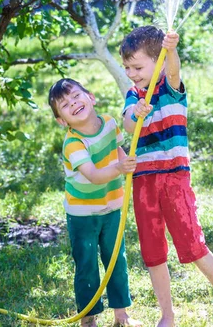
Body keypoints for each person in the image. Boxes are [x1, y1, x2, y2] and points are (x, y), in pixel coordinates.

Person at [120, 26, 213, 327]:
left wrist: (171, 50)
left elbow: (173, 71)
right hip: (144, 182)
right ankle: (167, 315)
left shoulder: (170, 87)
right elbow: (128, 125)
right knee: (153, 252)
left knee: (192, 244)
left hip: (174, 178)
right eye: (127, 68)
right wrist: (136, 113)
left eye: (138, 66)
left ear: (156, 61)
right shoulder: (133, 95)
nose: (132, 73)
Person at [48, 78, 142, 327]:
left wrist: (126, 163)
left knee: (116, 260)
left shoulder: (110, 123)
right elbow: (95, 176)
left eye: (77, 96)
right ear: (62, 120)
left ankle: (122, 315)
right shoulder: (73, 143)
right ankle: (88, 316)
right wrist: (120, 168)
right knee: (87, 263)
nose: (74, 103)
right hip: (82, 213)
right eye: (65, 105)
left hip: (112, 207)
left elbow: (119, 148)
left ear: (91, 96)